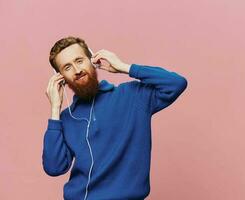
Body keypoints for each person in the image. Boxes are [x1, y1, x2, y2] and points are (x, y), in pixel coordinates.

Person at [42, 36, 188, 200]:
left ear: (92, 60)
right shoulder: (67, 118)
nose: (77, 70)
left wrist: (124, 67)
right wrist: (55, 109)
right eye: (67, 67)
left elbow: (176, 83)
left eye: (80, 60)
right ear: (60, 77)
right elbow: (54, 168)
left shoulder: (133, 96)